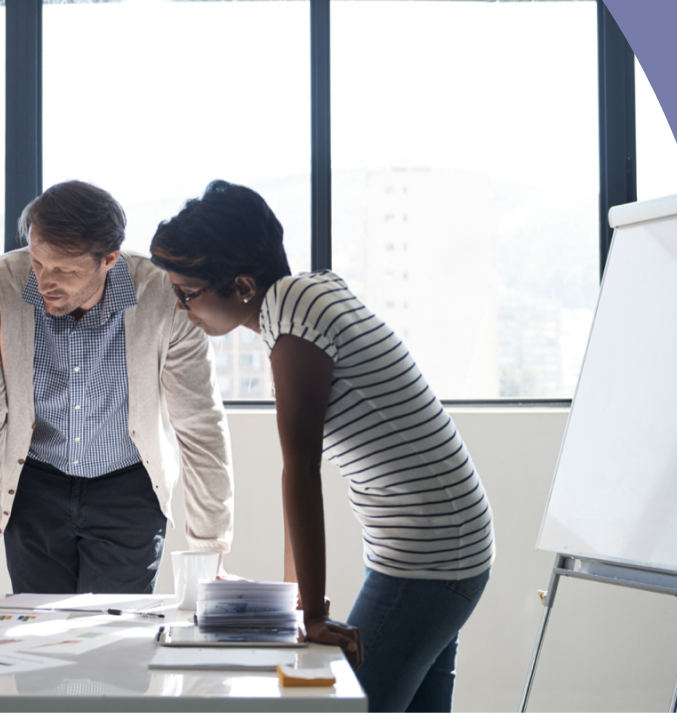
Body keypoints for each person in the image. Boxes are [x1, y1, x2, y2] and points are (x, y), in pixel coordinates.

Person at [150, 180, 494, 713]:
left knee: (344, 704)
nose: (180, 308)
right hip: (446, 544)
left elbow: (301, 472)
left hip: (428, 555)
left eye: (187, 293)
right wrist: (297, 604)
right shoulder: (309, 292)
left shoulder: (295, 327)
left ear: (242, 285)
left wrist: (308, 613)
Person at [0, 180, 233, 597]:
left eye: (64, 270)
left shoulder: (162, 294)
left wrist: (209, 557)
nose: (46, 280)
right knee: (40, 644)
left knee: (113, 644)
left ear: (110, 260)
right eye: (38, 263)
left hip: (130, 488)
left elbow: (199, 423)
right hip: (33, 487)